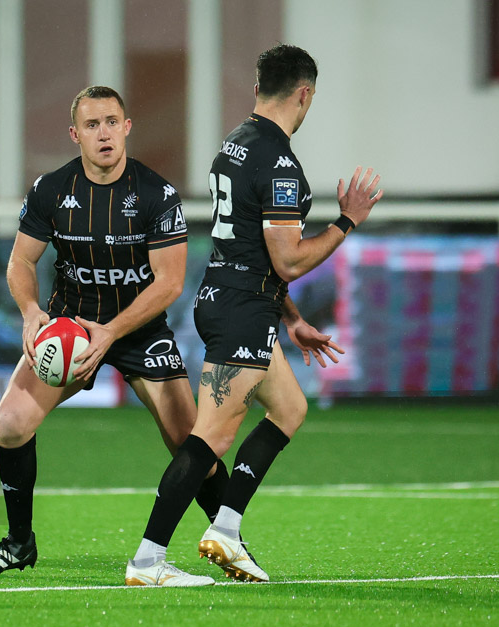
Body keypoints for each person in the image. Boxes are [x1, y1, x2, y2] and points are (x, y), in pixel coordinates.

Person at [125, 44, 383, 586]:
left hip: (237, 300)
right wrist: (346, 223)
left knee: (289, 409)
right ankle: (148, 560)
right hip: (241, 312)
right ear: (305, 93)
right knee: (208, 440)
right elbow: (287, 258)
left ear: (258, 88)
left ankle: (226, 528)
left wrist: (289, 319)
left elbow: (254, 249)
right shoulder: (280, 162)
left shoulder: (235, 145)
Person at [0, 86, 241, 580]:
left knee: (191, 443)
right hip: (68, 328)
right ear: (75, 135)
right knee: (9, 424)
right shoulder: (50, 189)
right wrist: (30, 311)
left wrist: (111, 331)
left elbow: (170, 282)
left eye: (112, 121)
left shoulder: (157, 193)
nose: (104, 133)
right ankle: (18, 542)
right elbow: (21, 261)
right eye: (92, 125)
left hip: (137, 330)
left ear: (128, 126)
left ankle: (229, 540)